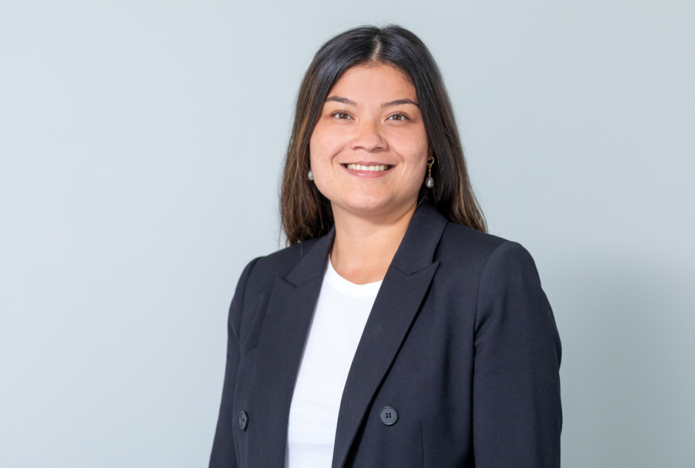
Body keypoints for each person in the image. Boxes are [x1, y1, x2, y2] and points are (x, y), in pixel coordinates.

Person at [209, 25, 562, 468]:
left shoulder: (489, 279)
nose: (369, 138)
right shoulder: (261, 285)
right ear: (308, 143)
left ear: (431, 145)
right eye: (342, 115)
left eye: (398, 116)